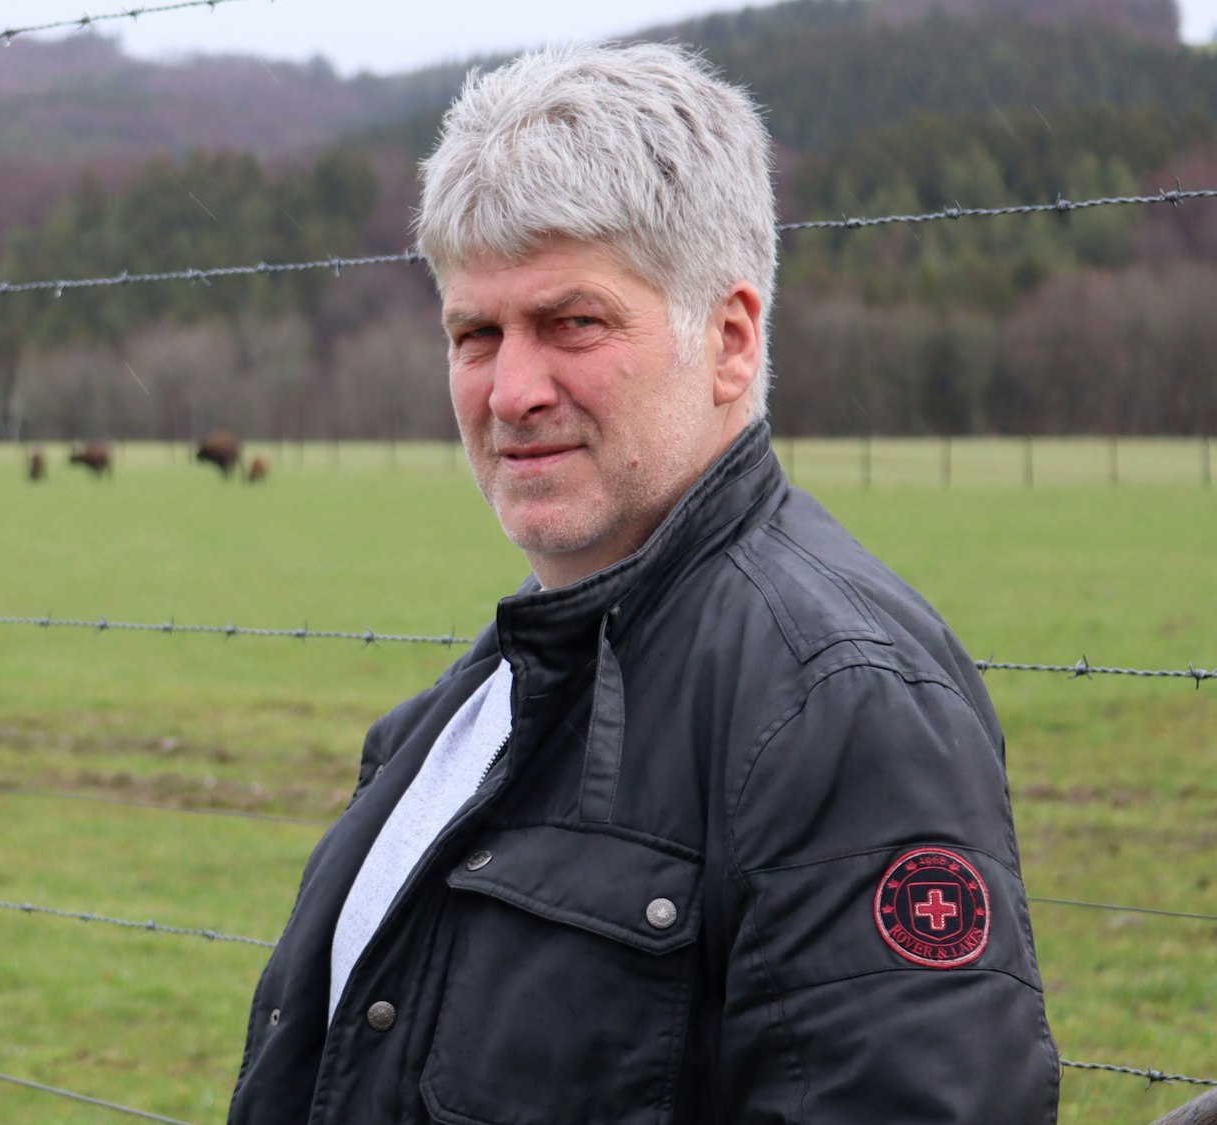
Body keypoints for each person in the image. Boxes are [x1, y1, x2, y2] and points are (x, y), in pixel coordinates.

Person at [227, 42, 1059, 1124]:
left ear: (729, 340)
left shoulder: (836, 701)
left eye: (572, 323)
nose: (510, 391)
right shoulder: (479, 704)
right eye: (475, 333)